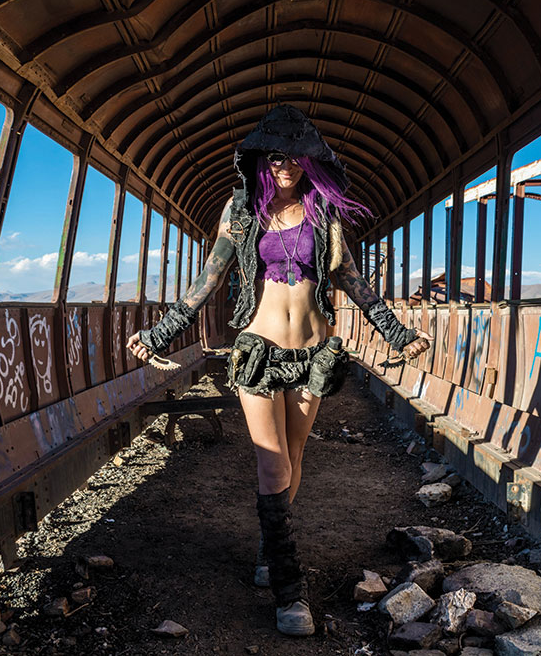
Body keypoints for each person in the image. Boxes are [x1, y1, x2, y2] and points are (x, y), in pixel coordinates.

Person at [127, 104, 430, 636]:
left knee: (292, 459)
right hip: (260, 349)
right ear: (259, 161)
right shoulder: (241, 211)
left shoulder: (323, 215)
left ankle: (272, 544)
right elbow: (209, 278)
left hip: (313, 352)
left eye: (294, 156)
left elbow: (352, 281)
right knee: (272, 466)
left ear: (310, 159)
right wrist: (159, 333)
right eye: (274, 157)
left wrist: (396, 331)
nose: (284, 166)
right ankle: (291, 592)